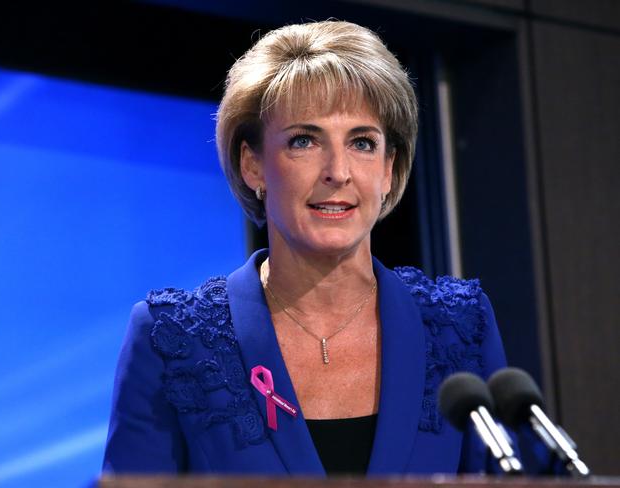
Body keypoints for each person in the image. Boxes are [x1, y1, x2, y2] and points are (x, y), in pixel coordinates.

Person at [102, 20, 507, 476]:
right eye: (304, 141)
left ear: (389, 168)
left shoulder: (459, 328)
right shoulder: (172, 340)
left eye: (362, 143)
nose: (338, 171)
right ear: (253, 164)